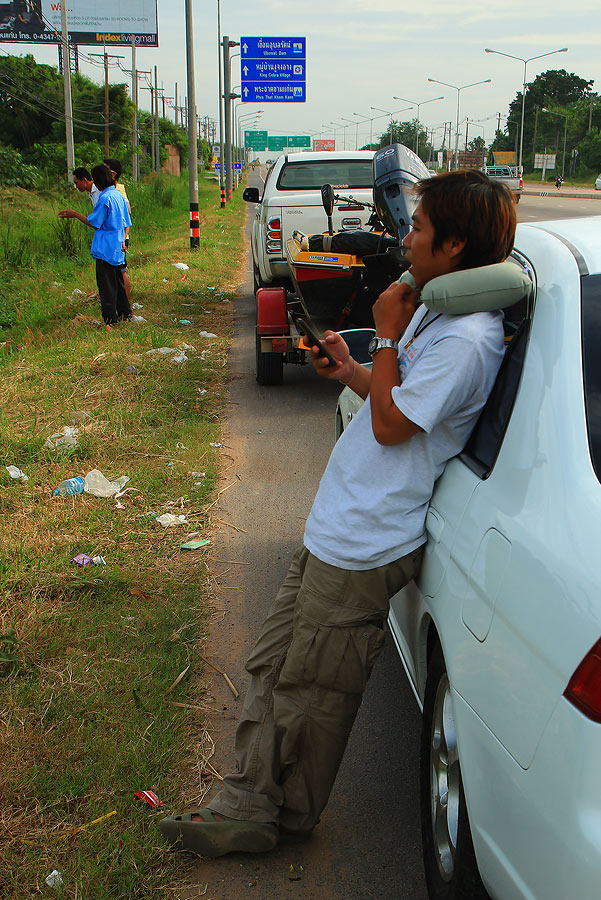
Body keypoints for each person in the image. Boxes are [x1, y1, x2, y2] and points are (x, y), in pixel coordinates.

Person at [158, 170, 516, 857]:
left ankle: (275, 818)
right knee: (270, 667)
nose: (404, 236)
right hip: (338, 527)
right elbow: (395, 397)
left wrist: (383, 336)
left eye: (417, 227)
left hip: (367, 542)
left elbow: (391, 427)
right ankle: (243, 797)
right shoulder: (438, 310)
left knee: (312, 690)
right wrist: (354, 366)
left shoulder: (467, 337)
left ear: (454, 244)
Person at [58, 163, 132, 326]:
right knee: (118, 282)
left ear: (97, 181)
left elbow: (95, 222)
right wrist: (124, 239)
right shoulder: (118, 195)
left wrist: (75, 214)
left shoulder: (105, 198)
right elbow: (127, 220)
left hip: (105, 248)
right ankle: (125, 314)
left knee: (106, 287)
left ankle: (110, 320)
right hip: (118, 246)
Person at [104, 157, 132, 304]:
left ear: (113, 174)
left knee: (121, 272)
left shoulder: (118, 190)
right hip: (114, 238)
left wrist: (124, 238)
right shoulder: (108, 189)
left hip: (119, 239)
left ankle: (125, 306)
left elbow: (126, 215)